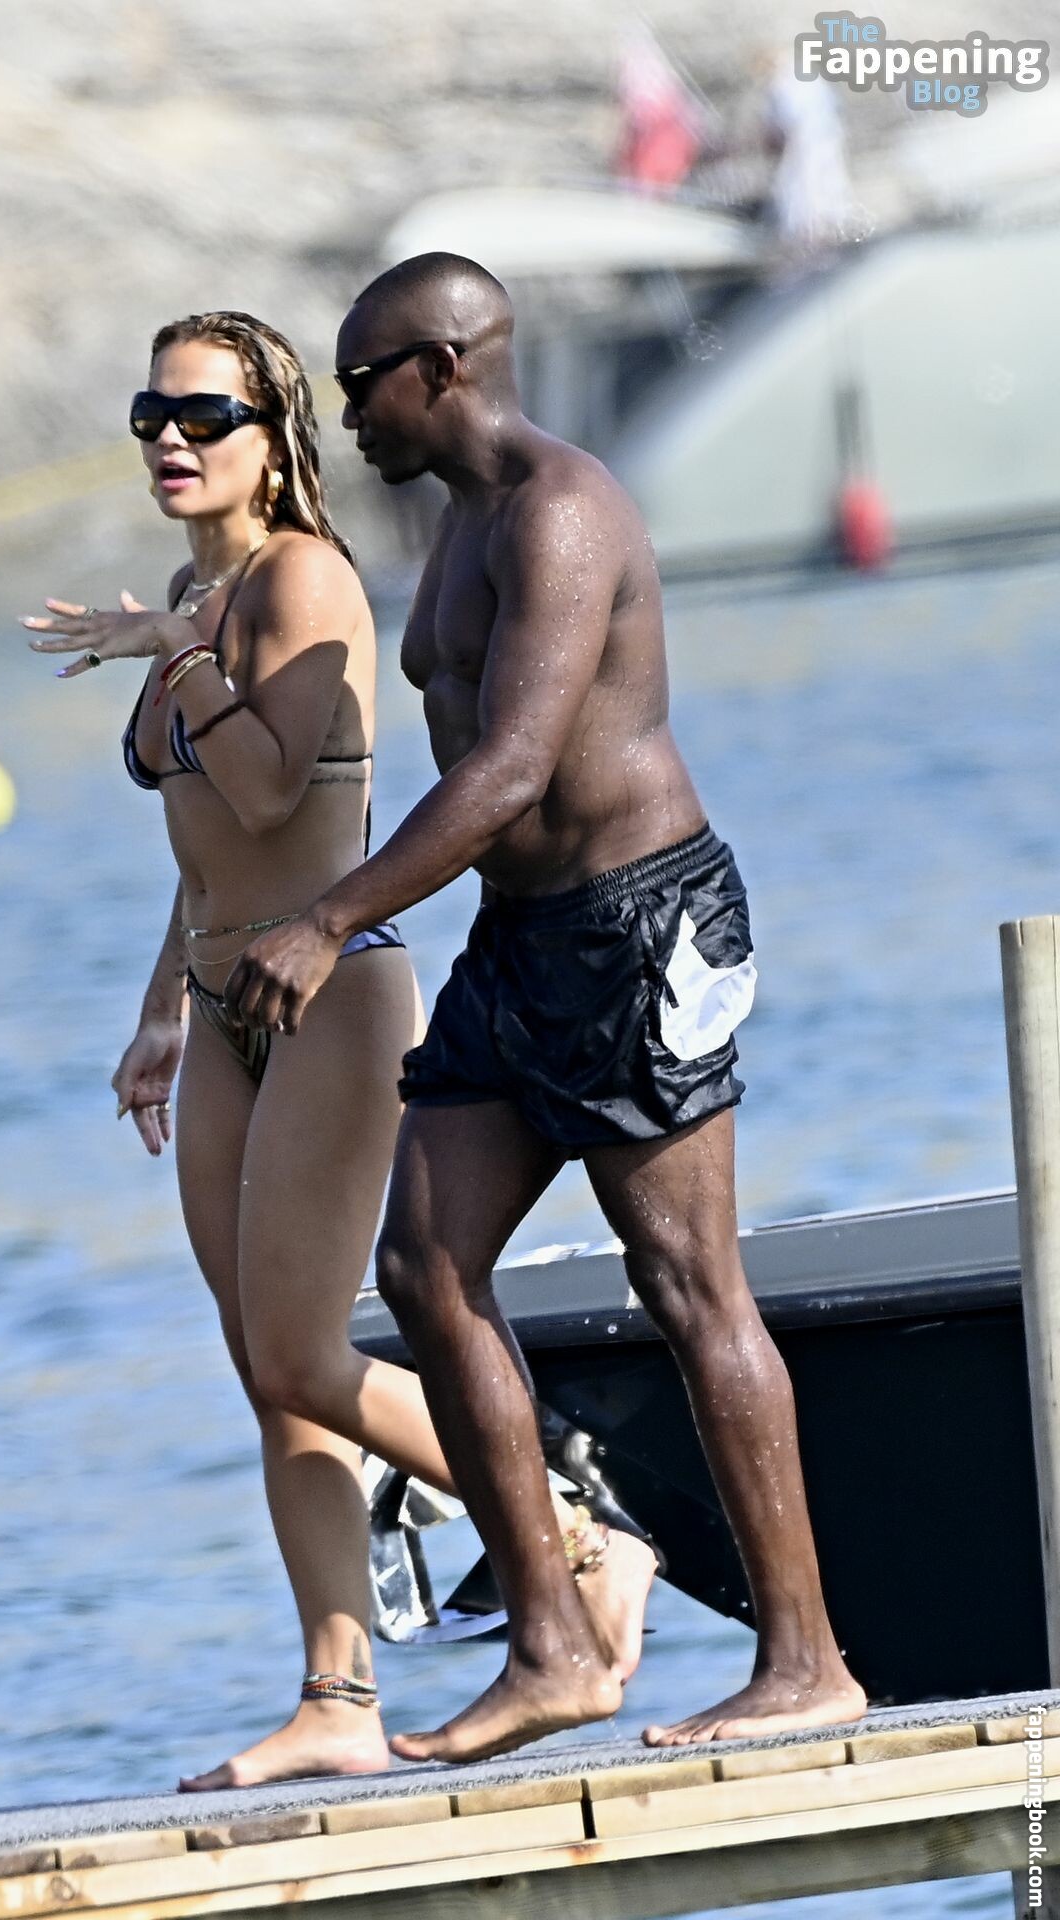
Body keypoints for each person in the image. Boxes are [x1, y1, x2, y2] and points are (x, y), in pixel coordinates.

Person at [223, 255, 869, 1766]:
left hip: (641, 926)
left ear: (442, 368)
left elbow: (512, 767)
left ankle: (808, 1663)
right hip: (521, 939)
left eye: (363, 382)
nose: (349, 414)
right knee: (424, 1266)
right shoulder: (456, 523)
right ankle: (554, 1647)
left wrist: (331, 919)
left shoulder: (562, 511)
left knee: (687, 1281)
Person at [20, 309, 651, 1790]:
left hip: (333, 998)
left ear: (275, 437)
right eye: (153, 415)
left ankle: (581, 1535)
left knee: (309, 1351)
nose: (172, 441)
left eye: (205, 417)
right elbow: (208, 850)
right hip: (223, 1007)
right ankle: (336, 1697)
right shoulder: (202, 590)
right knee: (267, 1370)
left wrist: (179, 658)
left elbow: (267, 786)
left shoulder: (303, 577)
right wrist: (162, 1007)